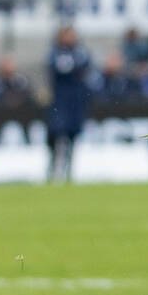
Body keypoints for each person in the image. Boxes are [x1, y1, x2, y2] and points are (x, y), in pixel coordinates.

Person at [46, 24, 93, 180]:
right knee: (58, 134)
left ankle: (69, 170)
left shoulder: (80, 52)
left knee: (73, 134)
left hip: (76, 100)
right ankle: (54, 169)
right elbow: (59, 68)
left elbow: (86, 67)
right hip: (60, 100)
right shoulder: (55, 53)